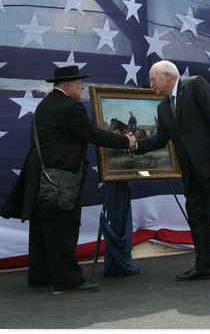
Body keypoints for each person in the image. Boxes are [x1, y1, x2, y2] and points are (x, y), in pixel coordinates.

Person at [0, 65, 136, 293]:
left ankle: (40, 276)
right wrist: (126, 142)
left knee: (43, 229)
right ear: (67, 85)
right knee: (63, 228)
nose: (82, 87)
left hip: (41, 177)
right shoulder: (71, 106)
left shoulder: (45, 104)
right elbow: (92, 134)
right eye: (79, 83)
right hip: (59, 178)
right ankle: (68, 280)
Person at [135, 60, 210, 284]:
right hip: (191, 172)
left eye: (153, 80)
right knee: (198, 219)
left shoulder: (195, 85)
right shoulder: (163, 107)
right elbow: (160, 139)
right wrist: (133, 145)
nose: (151, 85)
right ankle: (204, 267)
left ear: (167, 76)